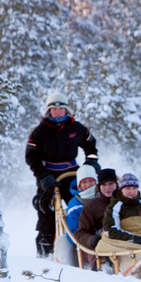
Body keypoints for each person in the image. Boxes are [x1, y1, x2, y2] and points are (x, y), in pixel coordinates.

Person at [26, 91, 100, 258]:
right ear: (48, 111)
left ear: (66, 110)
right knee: (46, 213)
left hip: (72, 174)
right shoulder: (40, 131)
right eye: (54, 109)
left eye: (61, 109)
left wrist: (91, 164)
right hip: (49, 177)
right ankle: (45, 254)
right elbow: (31, 158)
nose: (58, 112)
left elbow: (91, 146)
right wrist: (43, 177)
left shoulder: (76, 127)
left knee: (84, 206)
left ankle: (88, 245)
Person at [75, 168, 118, 269]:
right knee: (100, 264)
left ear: (116, 185)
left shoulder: (124, 202)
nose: (107, 188)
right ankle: (102, 271)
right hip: (100, 245)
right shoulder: (91, 207)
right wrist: (93, 240)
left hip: (123, 241)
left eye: (110, 183)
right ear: (99, 186)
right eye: (104, 185)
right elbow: (80, 233)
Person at [65, 164, 98, 244]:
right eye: (84, 182)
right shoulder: (75, 204)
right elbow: (73, 231)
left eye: (91, 181)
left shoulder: (103, 197)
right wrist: (89, 240)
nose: (88, 185)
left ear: (96, 182)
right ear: (79, 185)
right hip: (85, 241)